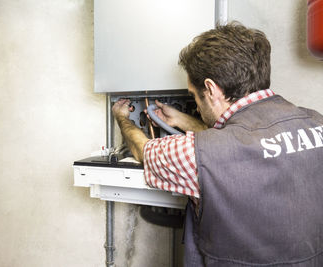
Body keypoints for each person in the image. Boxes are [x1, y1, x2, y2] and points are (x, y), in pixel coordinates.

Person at [112, 22, 323, 266]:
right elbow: (243, 141)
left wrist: (122, 119)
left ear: (210, 89)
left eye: (194, 96)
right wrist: (183, 119)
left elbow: (144, 150)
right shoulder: (315, 122)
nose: (197, 104)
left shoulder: (192, 153)